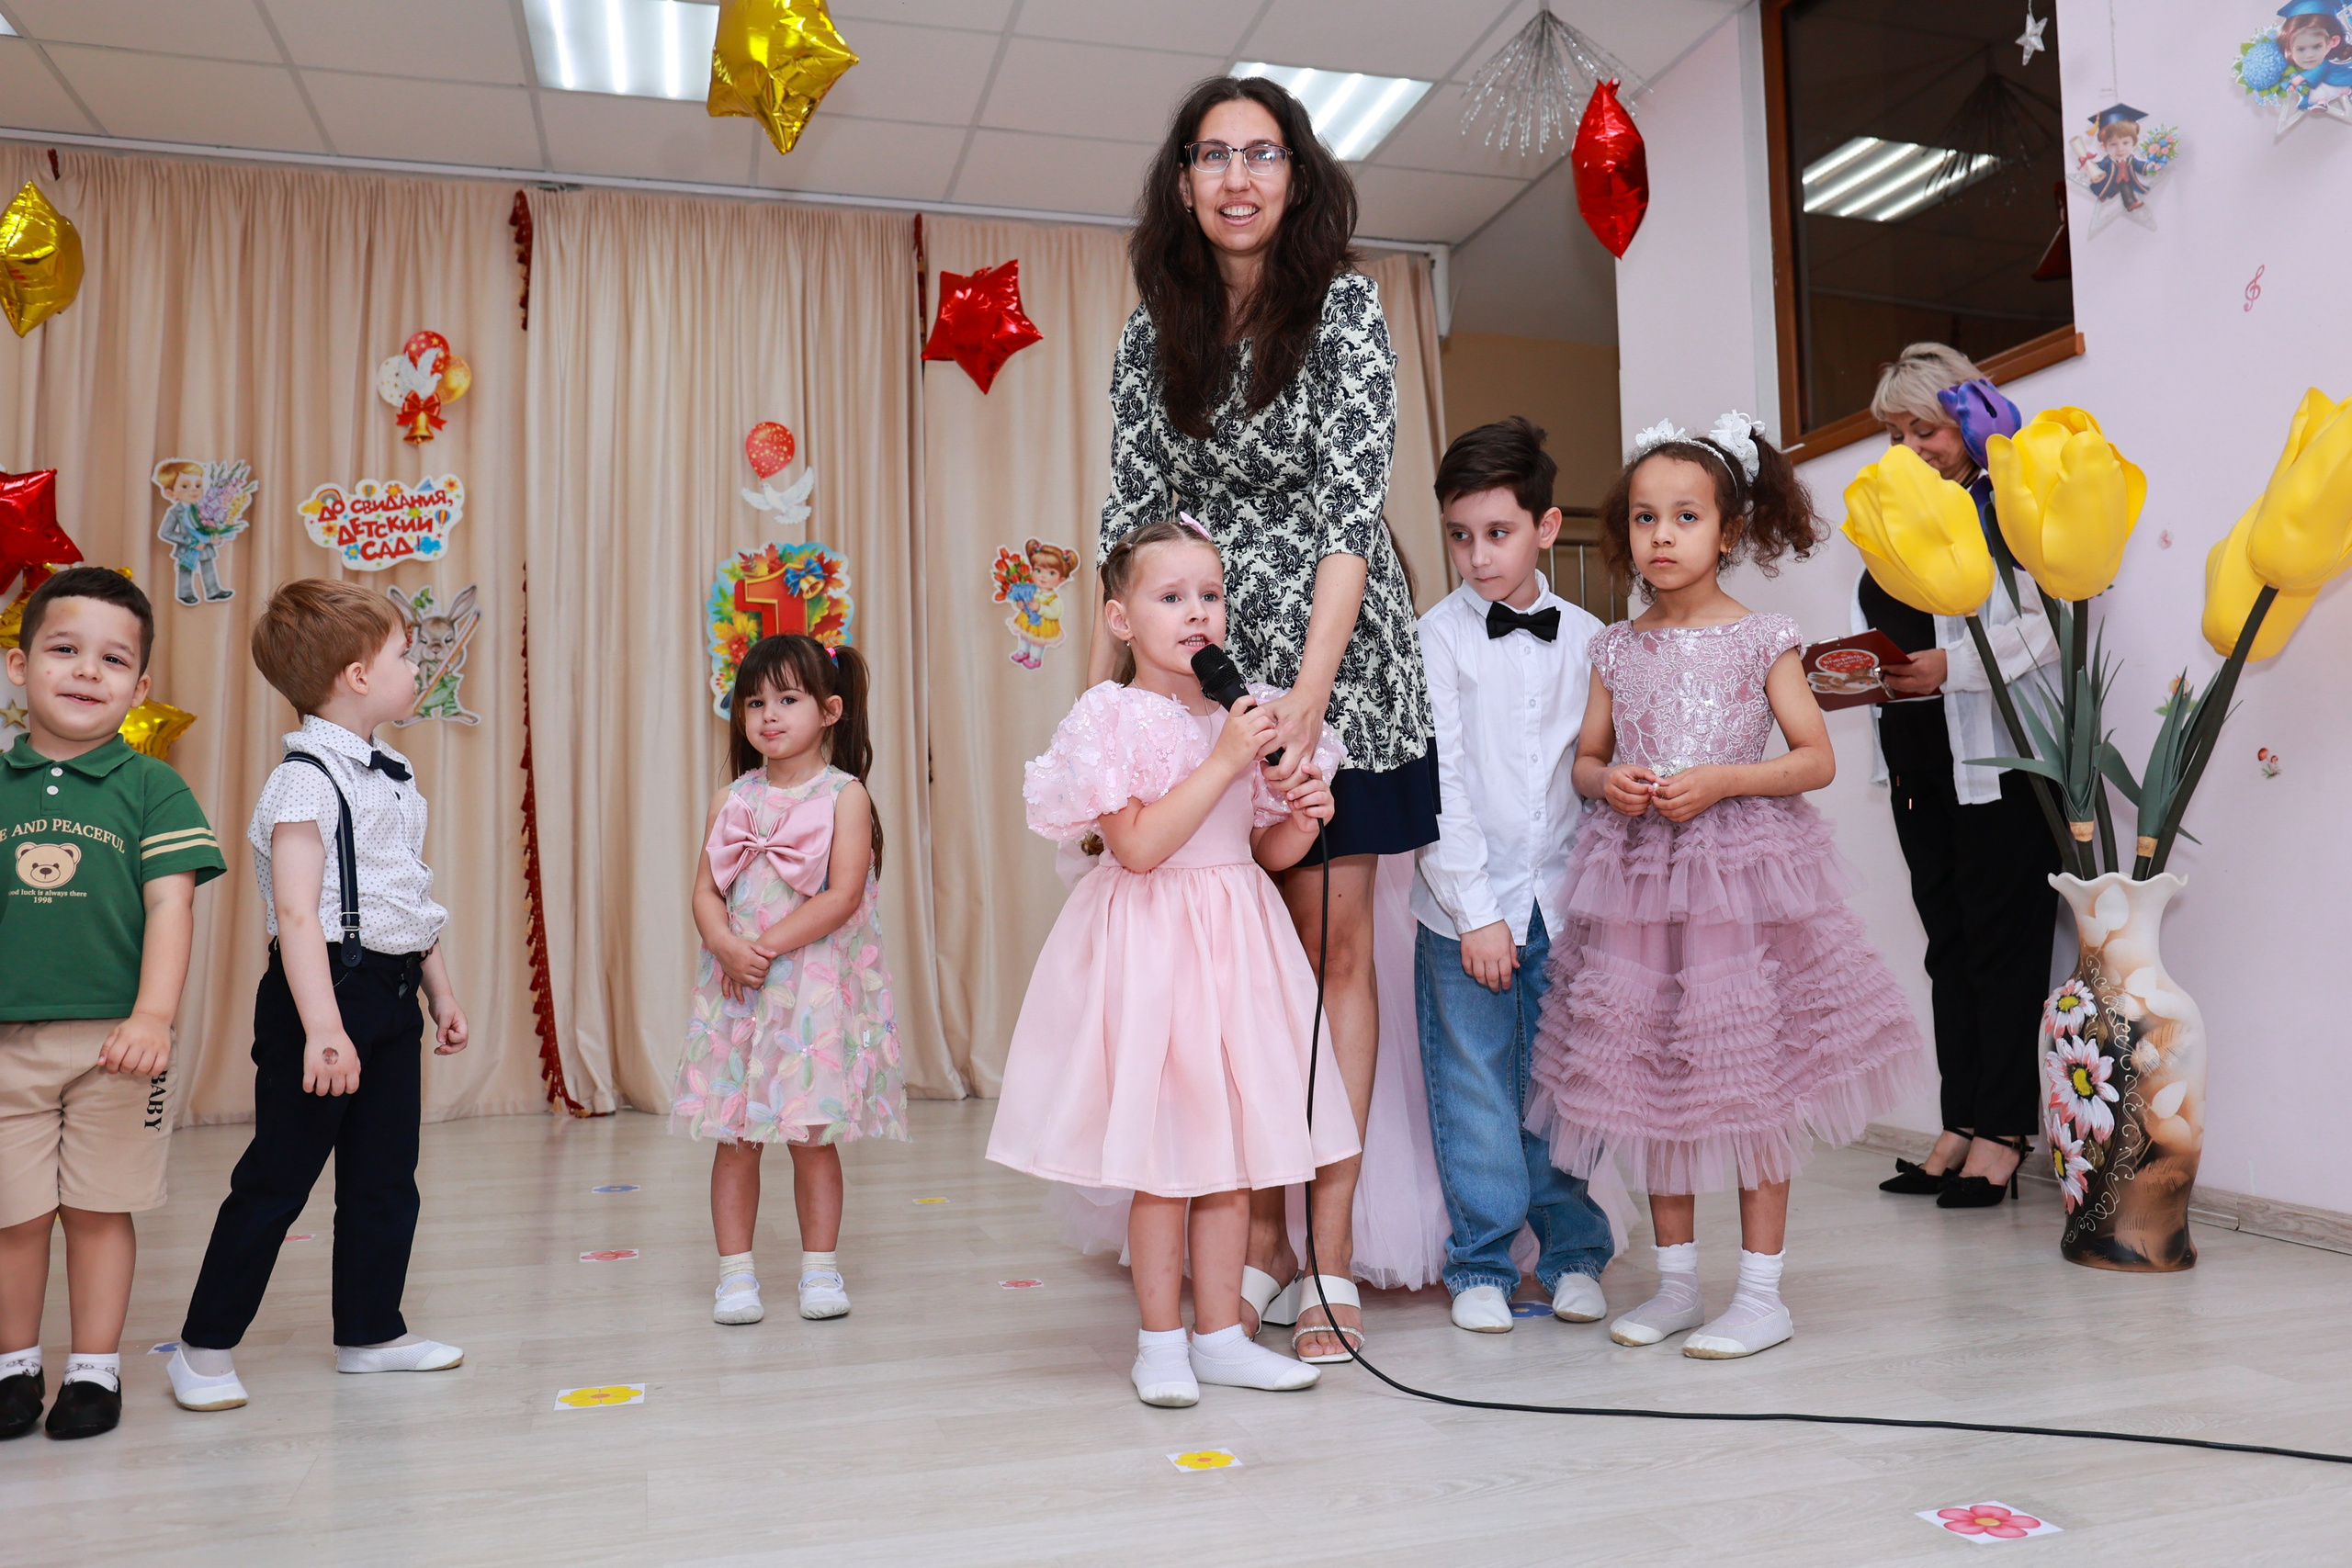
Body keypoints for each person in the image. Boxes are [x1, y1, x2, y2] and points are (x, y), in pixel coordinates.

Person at [1095, 73, 1434, 1363]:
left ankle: (1328, 1259)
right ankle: (1263, 1245)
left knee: (1335, 958)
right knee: (1247, 971)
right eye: (1213, 155)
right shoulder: (1147, 333)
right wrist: (1149, 700)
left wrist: (1306, 690)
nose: (1239, 178)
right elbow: (1132, 535)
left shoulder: (1346, 307)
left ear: (1298, 177)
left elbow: (1352, 514)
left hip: (1342, 661)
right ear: (1182, 181)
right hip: (1199, 666)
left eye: (1264, 154)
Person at [1526, 413, 1925, 1360]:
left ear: (1728, 532)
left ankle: (1759, 1292)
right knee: (1655, 1075)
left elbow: (1814, 758)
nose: (1661, 537)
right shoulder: (1615, 649)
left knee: (1746, 1079)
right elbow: (1586, 759)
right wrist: (1606, 781)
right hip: (1638, 884)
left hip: (1741, 884)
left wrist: (1719, 781)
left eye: (1685, 517)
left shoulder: (1762, 640)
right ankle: (1672, 1284)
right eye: (1643, 518)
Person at [992, 516, 1357, 1404]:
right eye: (1171, 597)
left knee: (1229, 1152)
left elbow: (1263, 851)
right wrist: (1224, 759)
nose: (1197, 613)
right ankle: (1160, 1342)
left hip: (1237, 939)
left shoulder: (1242, 713)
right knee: (1166, 1157)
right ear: (1121, 620)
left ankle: (1221, 1333)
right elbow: (1142, 845)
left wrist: (1303, 811)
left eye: (1211, 595)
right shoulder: (1110, 718)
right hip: (1155, 946)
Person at [169, 581, 470, 1412]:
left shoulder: (395, 776)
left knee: (385, 1176)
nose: (418, 667)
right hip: (322, 994)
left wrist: (438, 993)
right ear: (357, 674)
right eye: (406, 654)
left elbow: (404, 898)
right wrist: (324, 1027)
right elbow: (297, 912)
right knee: (279, 1175)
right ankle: (202, 1346)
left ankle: (371, 1331)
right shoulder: (302, 781)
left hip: (389, 987)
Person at [0, 569, 224, 1440]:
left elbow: (173, 904)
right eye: (64, 649)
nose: (86, 671)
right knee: (14, 1213)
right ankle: (15, 1364)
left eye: (112, 658)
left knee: (99, 1207)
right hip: (9, 1041)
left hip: (117, 1046)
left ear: (140, 686)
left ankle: (94, 1369)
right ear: (20, 665)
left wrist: (154, 1018)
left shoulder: (150, 788)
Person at [1412, 419, 1615, 1334]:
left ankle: (1573, 1253)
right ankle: (1482, 1265)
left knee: (1565, 1089)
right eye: (1460, 535)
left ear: (1544, 526)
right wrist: (1476, 911)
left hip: (1567, 899)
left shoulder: (1592, 639)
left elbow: (1595, 771)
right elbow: (1441, 783)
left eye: (1497, 533)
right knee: (1474, 1089)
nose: (1477, 556)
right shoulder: (1434, 640)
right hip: (1464, 904)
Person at [1861, 344, 2061, 1208]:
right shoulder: (1906, 514)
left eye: (1927, 429)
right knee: (1950, 947)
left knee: (2003, 947)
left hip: (2000, 763)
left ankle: (2006, 1128)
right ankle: (1962, 1116)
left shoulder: (2014, 503)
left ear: (1974, 419)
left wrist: (1951, 670)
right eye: (1899, 434)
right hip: (1921, 761)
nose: (1914, 449)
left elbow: (2049, 625)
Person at [673, 634, 907, 1327]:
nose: (768, 715)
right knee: (735, 1135)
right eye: (754, 701)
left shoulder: (845, 796)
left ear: (830, 709)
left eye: (787, 699)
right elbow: (705, 890)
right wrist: (724, 942)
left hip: (809, 989)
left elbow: (841, 895)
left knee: (811, 1135)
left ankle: (819, 1268)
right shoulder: (732, 796)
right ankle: (735, 1274)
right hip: (738, 987)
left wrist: (765, 946)